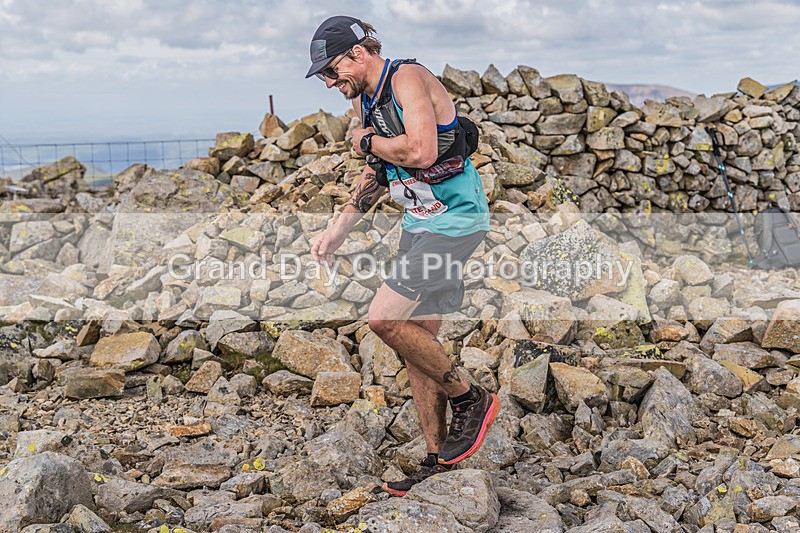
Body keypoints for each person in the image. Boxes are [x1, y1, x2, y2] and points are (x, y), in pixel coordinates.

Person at [306, 15, 498, 496]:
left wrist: (366, 140)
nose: (329, 83)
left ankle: (471, 398)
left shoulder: (407, 78)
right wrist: (337, 230)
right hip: (419, 224)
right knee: (418, 344)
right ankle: (438, 461)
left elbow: (421, 151)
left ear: (358, 53)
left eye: (331, 71)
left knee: (384, 319)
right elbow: (377, 172)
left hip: (455, 221)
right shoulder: (365, 101)